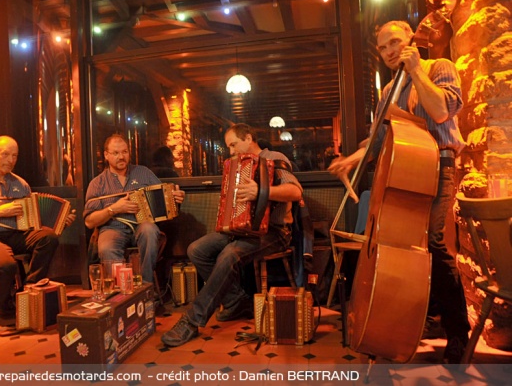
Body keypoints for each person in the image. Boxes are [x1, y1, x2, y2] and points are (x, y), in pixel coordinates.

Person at [328, 20, 470, 364]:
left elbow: (440, 110)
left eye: (394, 43)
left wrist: (416, 70)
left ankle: (458, 332)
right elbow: (379, 141)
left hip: (439, 165)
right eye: (383, 48)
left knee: (433, 244)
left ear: (410, 39)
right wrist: (353, 159)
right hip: (404, 172)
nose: (389, 51)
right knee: (406, 249)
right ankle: (417, 318)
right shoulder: (389, 90)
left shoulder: (439, 67)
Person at [161, 123, 302, 347]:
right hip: (242, 230)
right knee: (196, 249)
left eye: (233, 144)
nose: (231, 151)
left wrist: (262, 191)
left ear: (248, 137)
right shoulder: (236, 167)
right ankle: (237, 300)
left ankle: (192, 320)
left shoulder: (274, 157)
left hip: (274, 232)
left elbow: (295, 192)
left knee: (229, 254)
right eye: (228, 147)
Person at [0, 136, 76, 318]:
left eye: (15, 156)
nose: (11, 160)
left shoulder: (21, 184)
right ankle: (4, 309)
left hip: (16, 235)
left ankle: (29, 290)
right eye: (5, 154)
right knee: (7, 264)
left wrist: (60, 221)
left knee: (49, 238)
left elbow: (32, 220)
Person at [83, 134, 185, 284]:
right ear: (106, 155)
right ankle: (122, 291)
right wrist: (114, 209)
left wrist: (176, 199)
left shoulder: (143, 173)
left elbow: (165, 200)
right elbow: (89, 222)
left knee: (149, 231)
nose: (121, 157)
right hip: (113, 228)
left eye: (124, 152)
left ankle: (146, 286)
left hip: (142, 224)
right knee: (106, 247)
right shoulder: (97, 183)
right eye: (116, 153)